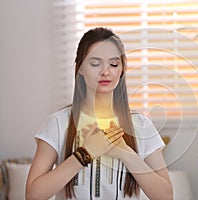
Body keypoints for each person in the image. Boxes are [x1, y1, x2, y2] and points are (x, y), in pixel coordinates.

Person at [26, 27, 173, 200]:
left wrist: (124, 153)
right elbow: (32, 195)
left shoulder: (141, 125)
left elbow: (166, 196)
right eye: (95, 63)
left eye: (114, 64)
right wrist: (85, 153)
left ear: (123, 68)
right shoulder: (59, 123)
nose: (106, 71)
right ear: (80, 68)